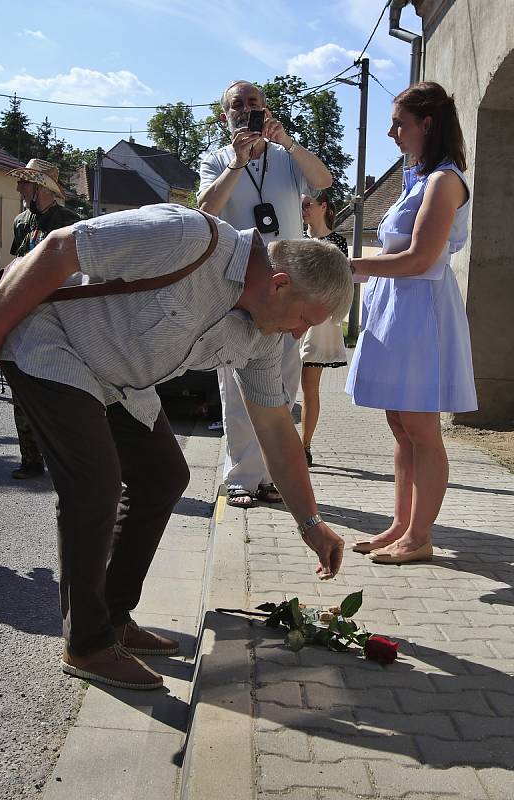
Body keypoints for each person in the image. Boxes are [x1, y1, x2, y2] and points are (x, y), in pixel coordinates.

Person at [0, 203, 352, 690]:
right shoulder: (187, 236)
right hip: (51, 341)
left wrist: (309, 523)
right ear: (280, 283)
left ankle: (114, 618)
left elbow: (275, 429)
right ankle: (87, 644)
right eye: (303, 320)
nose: (298, 334)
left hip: (121, 377)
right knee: (93, 485)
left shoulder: (263, 337)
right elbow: (57, 250)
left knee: (164, 476)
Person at [346, 81, 477, 565]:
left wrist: (351, 267)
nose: (390, 131)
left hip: (421, 311)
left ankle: (420, 536)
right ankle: (401, 524)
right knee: (400, 425)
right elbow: (400, 253)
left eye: (399, 122)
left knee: (422, 429)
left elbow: (421, 258)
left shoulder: (446, 180)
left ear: (427, 123)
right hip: (397, 308)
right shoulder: (418, 178)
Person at [199, 80, 333, 508]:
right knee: (237, 389)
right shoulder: (217, 159)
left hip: (289, 288)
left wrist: (289, 143)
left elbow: (323, 180)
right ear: (226, 117)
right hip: (238, 289)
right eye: (236, 105)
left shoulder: (286, 156)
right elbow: (205, 209)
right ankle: (241, 477)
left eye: (252, 103)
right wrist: (236, 164)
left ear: (265, 108)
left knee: (284, 387)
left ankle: (273, 476)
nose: (245, 110)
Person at [6, 159, 80, 479]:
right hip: (25, 315)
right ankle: (31, 460)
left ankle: (69, 460)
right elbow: (16, 265)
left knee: (61, 392)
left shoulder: (70, 222)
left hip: (59, 318)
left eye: (25, 182)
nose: (19, 187)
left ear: (40, 187)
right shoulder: (21, 221)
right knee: (22, 391)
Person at [299, 190, 348, 467]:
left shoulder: (337, 242)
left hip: (318, 323)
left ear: (323, 206)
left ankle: (304, 446)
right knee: (280, 385)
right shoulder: (294, 237)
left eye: (308, 204)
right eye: (302, 205)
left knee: (309, 388)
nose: (304, 209)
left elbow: (339, 284)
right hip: (289, 316)